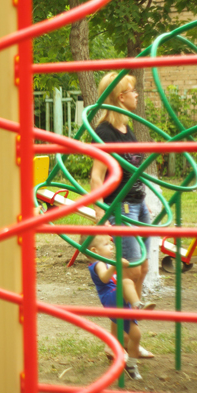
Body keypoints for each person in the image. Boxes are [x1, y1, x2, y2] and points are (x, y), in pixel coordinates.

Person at [90, 72, 153, 301]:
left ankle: (131, 322)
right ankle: (122, 324)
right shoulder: (105, 132)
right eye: (132, 91)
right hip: (121, 206)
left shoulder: (128, 129)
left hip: (139, 203)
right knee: (131, 270)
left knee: (143, 269)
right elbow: (96, 176)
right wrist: (100, 213)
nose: (136, 94)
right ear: (120, 97)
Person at [80, 234, 156, 380]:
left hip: (119, 300)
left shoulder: (106, 262)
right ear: (95, 250)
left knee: (136, 335)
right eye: (107, 245)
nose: (111, 247)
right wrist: (115, 266)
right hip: (111, 299)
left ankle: (131, 365)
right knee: (126, 282)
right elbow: (104, 278)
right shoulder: (98, 264)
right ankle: (137, 306)